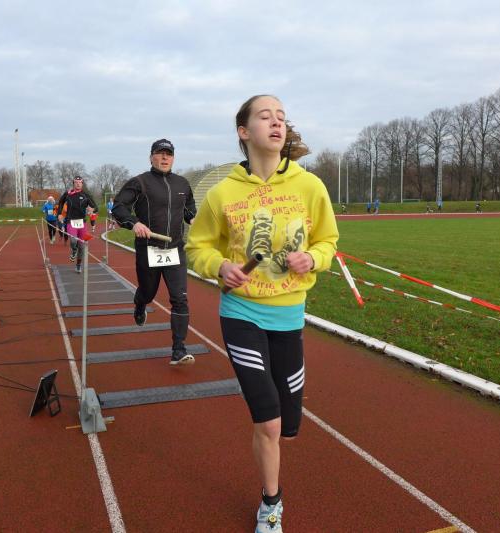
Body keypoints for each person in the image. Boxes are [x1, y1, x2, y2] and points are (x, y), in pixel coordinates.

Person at [186, 95, 338, 533]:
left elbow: (328, 241)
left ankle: (273, 463)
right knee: (268, 422)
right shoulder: (223, 193)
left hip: (290, 316)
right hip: (242, 313)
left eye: (282, 118)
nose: (277, 123)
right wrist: (220, 266)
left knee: (288, 427)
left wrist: (313, 259)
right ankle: (271, 504)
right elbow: (197, 246)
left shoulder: (310, 187)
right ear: (243, 131)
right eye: (265, 116)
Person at [112, 139, 197, 365]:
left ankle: (178, 349)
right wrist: (134, 223)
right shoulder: (139, 182)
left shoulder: (182, 183)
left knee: (180, 299)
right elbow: (118, 206)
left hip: (175, 250)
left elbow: (189, 210)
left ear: (173, 158)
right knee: (148, 293)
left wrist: (194, 219)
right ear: (151, 157)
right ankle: (140, 304)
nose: (165, 157)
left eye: (169, 154)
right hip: (149, 249)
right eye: (160, 153)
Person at [57, 176, 98, 273]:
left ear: (82, 184)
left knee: (82, 247)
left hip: (82, 222)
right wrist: (59, 214)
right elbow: (61, 202)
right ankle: (74, 250)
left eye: (80, 182)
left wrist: (92, 210)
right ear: (73, 184)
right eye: (76, 182)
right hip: (70, 221)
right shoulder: (68, 193)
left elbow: (96, 207)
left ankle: (78, 265)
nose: (78, 184)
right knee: (73, 240)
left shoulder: (86, 195)